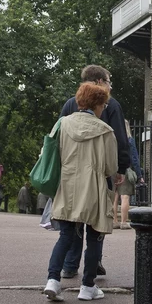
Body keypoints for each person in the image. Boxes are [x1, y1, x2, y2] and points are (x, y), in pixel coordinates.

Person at [43, 81, 118, 302]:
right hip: (93, 187)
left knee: (65, 236)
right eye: (103, 104)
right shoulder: (105, 131)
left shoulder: (62, 124)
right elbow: (110, 168)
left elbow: (50, 155)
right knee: (94, 238)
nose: (104, 108)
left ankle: (53, 281)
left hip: (66, 186)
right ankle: (87, 286)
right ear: (97, 104)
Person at [59, 65, 129, 279]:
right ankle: (94, 263)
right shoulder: (111, 105)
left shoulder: (71, 103)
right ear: (99, 82)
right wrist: (121, 168)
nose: (109, 86)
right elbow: (119, 139)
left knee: (74, 220)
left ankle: (70, 266)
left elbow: (57, 137)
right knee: (98, 222)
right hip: (99, 172)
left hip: (72, 173)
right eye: (108, 81)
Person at [113, 119, 143, 229]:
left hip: (113, 170)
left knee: (114, 197)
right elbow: (134, 159)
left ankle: (114, 221)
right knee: (125, 197)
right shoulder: (129, 140)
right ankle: (124, 222)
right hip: (125, 169)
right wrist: (139, 175)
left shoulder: (113, 139)